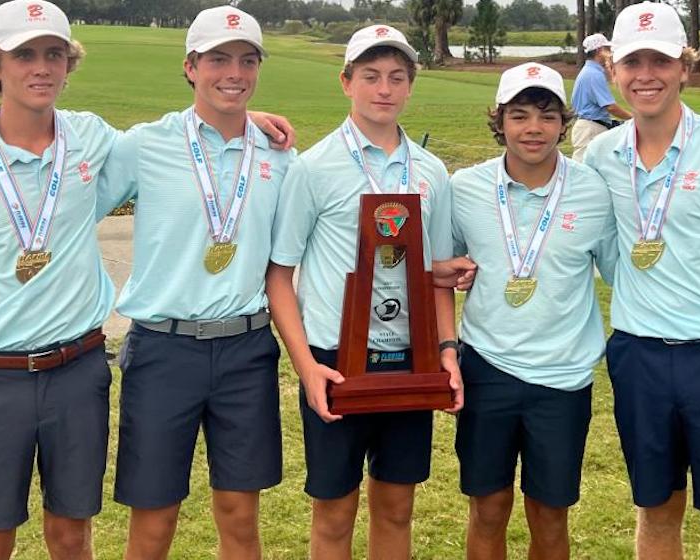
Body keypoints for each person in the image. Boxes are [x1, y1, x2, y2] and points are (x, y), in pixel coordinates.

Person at [95, 6, 294, 560]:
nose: (234, 72)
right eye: (218, 60)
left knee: (239, 516)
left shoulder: (279, 156)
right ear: (190, 67)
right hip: (163, 348)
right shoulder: (146, 144)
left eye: (247, 61)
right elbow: (72, 211)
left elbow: (287, 262)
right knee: (154, 519)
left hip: (246, 349)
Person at [266, 25, 463, 560]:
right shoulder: (313, 168)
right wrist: (307, 366)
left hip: (410, 358)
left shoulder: (430, 171)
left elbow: (436, 276)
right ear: (345, 82)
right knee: (333, 513)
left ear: (410, 86)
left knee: (397, 507)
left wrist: (447, 351)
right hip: (336, 359)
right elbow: (279, 276)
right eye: (371, 76)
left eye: (397, 77)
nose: (384, 88)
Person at [584, 3, 700, 558]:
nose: (645, 74)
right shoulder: (600, 156)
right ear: (613, 69)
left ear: (685, 65)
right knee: (656, 512)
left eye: (660, 60)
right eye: (633, 61)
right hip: (639, 357)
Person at [451, 62, 617, 560]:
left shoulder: (593, 191)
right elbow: (442, 269)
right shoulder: (464, 188)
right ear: (499, 121)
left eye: (546, 116)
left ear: (563, 124)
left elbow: (619, 274)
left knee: (549, 513)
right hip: (487, 367)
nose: (533, 129)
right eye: (518, 116)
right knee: (488, 507)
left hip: (563, 378)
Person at [0, 1, 118, 558]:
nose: (41, 67)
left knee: (70, 532)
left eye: (54, 54)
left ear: (68, 64)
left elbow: (172, 144)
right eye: (25, 55)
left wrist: (243, 118)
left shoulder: (91, 137)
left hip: (77, 372)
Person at [570, 33, 631, 162]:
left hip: (589, 125)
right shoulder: (593, 74)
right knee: (583, 170)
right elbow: (610, 107)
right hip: (591, 128)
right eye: (607, 49)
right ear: (599, 51)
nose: (610, 53)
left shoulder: (589, 71)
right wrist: (633, 118)